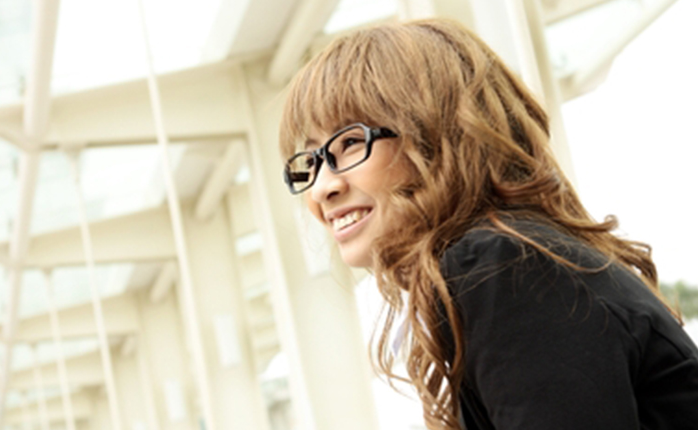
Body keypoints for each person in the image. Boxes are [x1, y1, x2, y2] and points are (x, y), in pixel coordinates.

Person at [278, 18, 698, 430]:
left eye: (350, 142)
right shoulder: (523, 256)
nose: (321, 188)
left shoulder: (504, 263)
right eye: (311, 161)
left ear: (436, 134)